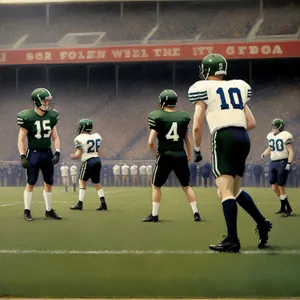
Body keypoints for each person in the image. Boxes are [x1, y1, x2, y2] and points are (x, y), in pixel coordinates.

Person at [189, 54, 271, 252]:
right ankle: (261, 222)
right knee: (233, 191)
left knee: (224, 192)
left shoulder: (204, 88)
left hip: (224, 136)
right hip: (243, 136)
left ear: (206, 71)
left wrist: (197, 150)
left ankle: (232, 240)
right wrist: (235, 130)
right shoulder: (238, 86)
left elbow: (197, 126)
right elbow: (251, 122)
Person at [142, 89, 201, 223]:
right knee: (186, 186)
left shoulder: (158, 116)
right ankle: (196, 213)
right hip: (180, 153)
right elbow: (187, 139)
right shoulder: (183, 117)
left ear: (163, 102)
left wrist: (155, 154)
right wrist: (189, 154)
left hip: (165, 154)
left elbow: (150, 141)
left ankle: (154, 215)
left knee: (156, 185)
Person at [17, 87, 62, 221]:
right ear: (37, 101)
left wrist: (58, 151)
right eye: (44, 100)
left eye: (48, 101)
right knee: (31, 182)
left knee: (49, 183)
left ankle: (48, 210)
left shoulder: (51, 116)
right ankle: (27, 210)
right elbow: (21, 139)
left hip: (47, 153)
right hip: (34, 154)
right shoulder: (28, 117)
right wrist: (22, 155)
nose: (47, 103)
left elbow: (56, 137)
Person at [70, 118, 107, 211]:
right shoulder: (96, 136)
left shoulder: (79, 138)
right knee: (96, 183)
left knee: (82, 180)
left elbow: (79, 153)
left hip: (88, 160)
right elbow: (100, 152)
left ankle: (80, 203)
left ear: (82, 127)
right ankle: (103, 203)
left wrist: (73, 156)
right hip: (97, 160)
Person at [261, 118, 294, 217]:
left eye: (275, 126)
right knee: (274, 187)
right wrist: (264, 153)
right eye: (273, 126)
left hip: (282, 162)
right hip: (273, 163)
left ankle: (288, 208)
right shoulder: (270, 136)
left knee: (280, 186)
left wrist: (289, 163)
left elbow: (291, 151)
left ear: (280, 127)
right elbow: (271, 147)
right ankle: (283, 207)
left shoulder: (285, 135)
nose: (273, 128)